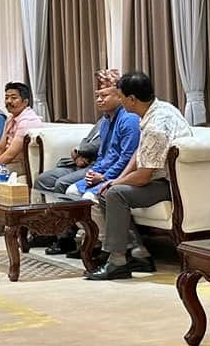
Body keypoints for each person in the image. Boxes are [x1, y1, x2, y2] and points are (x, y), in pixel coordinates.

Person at [85, 72, 192, 279]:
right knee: (109, 191)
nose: (120, 101)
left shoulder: (156, 126)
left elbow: (143, 177)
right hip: (163, 178)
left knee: (115, 194)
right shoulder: (161, 109)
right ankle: (138, 253)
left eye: (121, 96)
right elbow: (139, 152)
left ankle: (117, 262)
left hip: (173, 185)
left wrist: (115, 183)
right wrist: (114, 181)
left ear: (132, 99)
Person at [46, 69, 142, 257]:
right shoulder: (106, 120)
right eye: (97, 95)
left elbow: (126, 158)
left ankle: (104, 246)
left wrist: (104, 177)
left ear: (119, 96)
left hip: (122, 174)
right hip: (104, 172)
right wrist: (94, 173)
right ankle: (92, 239)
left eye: (104, 95)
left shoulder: (129, 119)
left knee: (89, 197)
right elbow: (105, 155)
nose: (99, 100)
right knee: (71, 192)